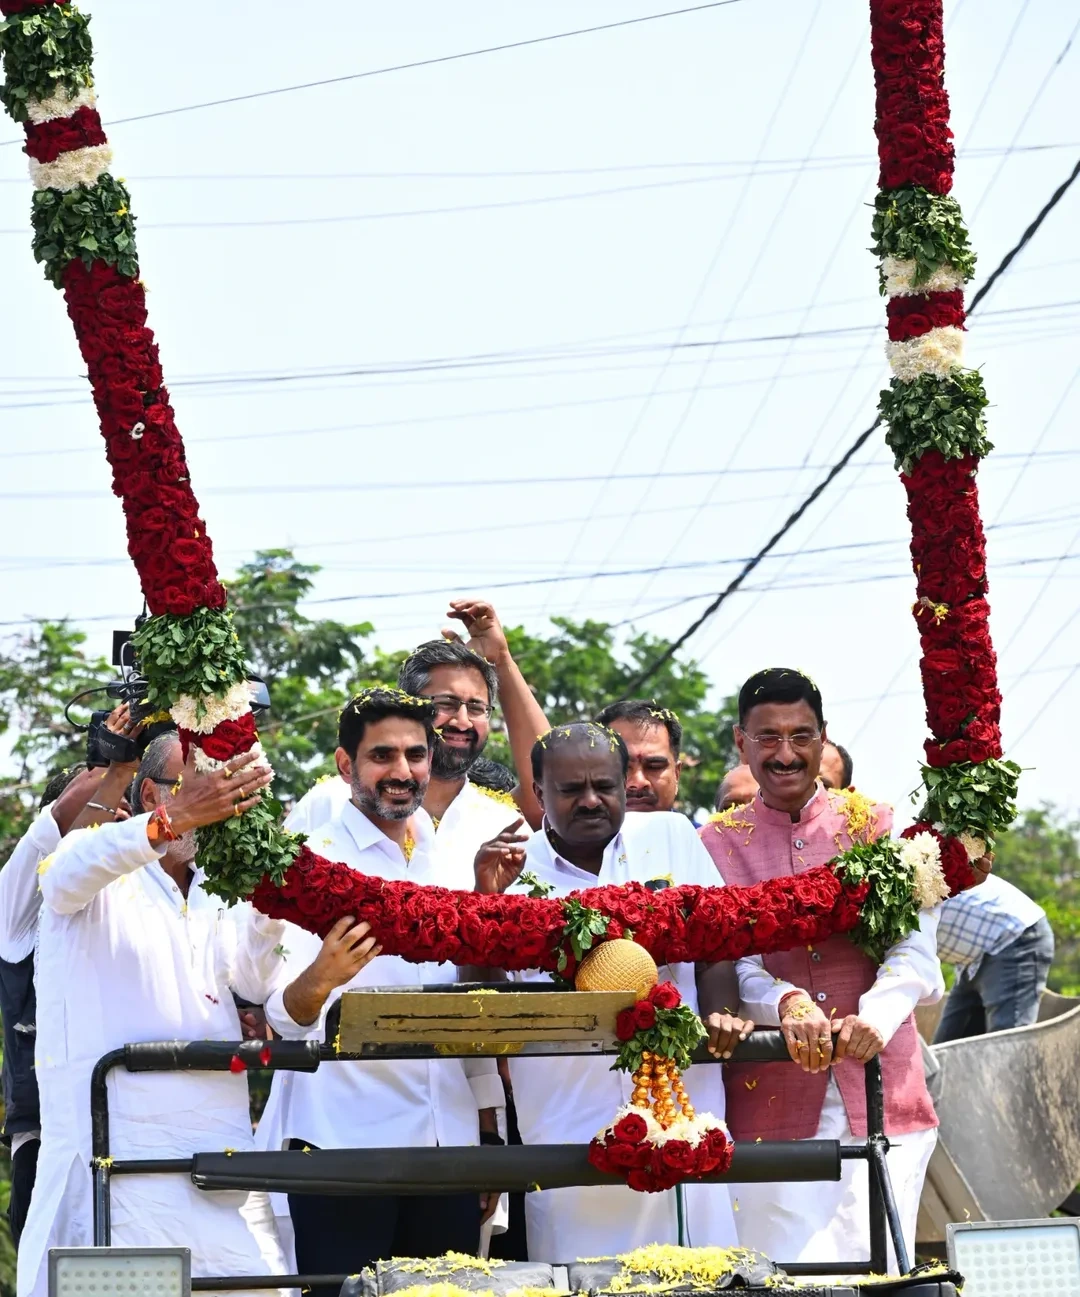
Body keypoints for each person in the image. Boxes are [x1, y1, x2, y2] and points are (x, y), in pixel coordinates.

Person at [18, 733, 373, 1297]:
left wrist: (287, 921)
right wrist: (172, 820)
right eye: (200, 783)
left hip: (218, 1165)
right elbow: (63, 875)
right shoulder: (101, 864)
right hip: (114, 1165)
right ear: (153, 792)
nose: (216, 797)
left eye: (224, 786)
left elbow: (258, 986)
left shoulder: (219, 889)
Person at [699, 668, 942, 1274]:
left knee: (880, 1269)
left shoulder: (878, 827)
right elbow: (734, 962)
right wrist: (786, 1002)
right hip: (770, 1095)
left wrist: (875, 1016)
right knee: (778, 1274)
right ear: (741, 742)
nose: (786, 754)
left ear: (824, 739)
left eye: (801, 735)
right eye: (768, 737)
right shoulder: (714, 843)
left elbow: (913, 950)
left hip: (884, 1085)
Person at [257, 689, 502, 1289]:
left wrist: (488, 1134)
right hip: (344, 1144)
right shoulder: (309, 864)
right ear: (346, 766)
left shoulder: (451, 858)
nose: (402, 772)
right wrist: (321, 978)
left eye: (415, 754)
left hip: (448, 1144)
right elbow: (277, 1019)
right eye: (382, 755)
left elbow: (469, 1013)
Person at [472, 722, 744, 1261]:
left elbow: (717, 942)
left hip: (680, 1109)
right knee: (580, 1274)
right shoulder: (509, 870)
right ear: (538, 790)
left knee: (702, 1270)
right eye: (571, 790)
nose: (591, 800)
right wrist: (484, 902)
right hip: (568, 1119)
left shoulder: (669, 835)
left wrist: (722, 1013)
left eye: (604, 786)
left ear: (624, 785)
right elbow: (485, 1001)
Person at [0, 704, 144, 1248]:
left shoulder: (142, 901)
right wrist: (111, 769)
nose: (105, 829)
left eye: (117, 816)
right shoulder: (18, 912)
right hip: (49, 1131)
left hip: (134, 1122)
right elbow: (46, 843)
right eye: (92, 815)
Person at [287, 601, 549, 884]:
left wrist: (502, 660)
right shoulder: (329, 802)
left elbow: (554, 773)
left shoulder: (502, 824)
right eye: (447, 703)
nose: (462, 721)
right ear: (410, 707)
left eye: (476, 708)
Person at [933, 874, 1054, 1041]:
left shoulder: (902, 881)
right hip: (973, 958)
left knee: (1005, 1045)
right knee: (946, 1050)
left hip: (1014, 937)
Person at [594, 699, 682, 812]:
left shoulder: (698, 830)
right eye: (622, 768)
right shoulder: (569, 829)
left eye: (654, 767)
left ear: (676, 774)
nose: (638, 783)